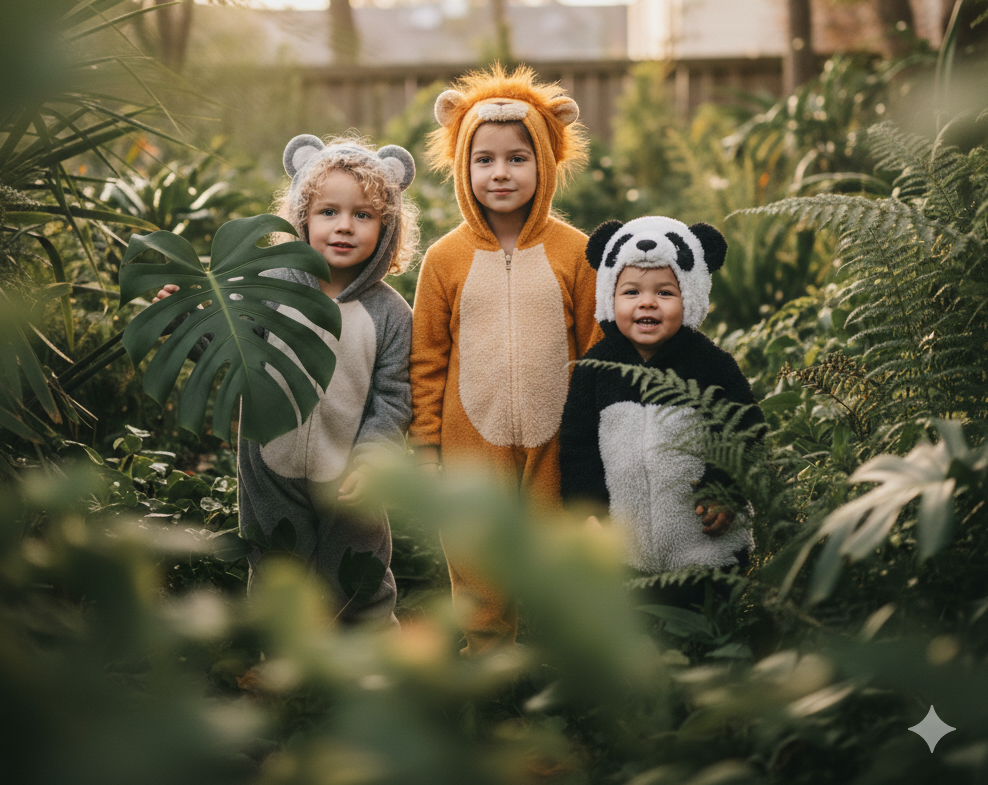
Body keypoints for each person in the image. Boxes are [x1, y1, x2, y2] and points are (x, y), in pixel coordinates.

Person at [156, 134, 418, 627]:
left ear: (387, 228)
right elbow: (231, 351)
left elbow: (392, 401)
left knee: (356, 567)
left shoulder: (391, 314)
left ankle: (371, 654)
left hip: (348, 474)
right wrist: (184, 320)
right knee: (279, 565)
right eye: (328, 212)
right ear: (302, 217)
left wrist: (373, 463)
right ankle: (282, 662)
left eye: (363, 215)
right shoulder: (273, 287)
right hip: (270, 467)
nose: (344, 226)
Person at [409, 63, 600, 654]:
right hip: (471, 433)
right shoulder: (444, 259)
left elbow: (599, 345)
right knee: (475, 546)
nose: (500, 172)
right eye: (484, 159)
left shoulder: (579, 251)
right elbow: (427, 358)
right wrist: (426, 443)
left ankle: (561, 653)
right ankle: (486, 651)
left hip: (557, 435)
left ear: (545, 160)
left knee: (557, 541)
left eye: (518, 157)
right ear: (463, 166)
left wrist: (598, 432)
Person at [558, 215, 762, 608]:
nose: (647, 302)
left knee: (709, 632)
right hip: (625, 553)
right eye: (631, 292)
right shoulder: (594, 370)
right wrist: (585, 508)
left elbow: (744, 433)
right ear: (608, 297)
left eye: (665, 293)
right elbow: (577, 446)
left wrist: (726, 491)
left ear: (692, 295)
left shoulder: (713, 367)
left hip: (705, 549)